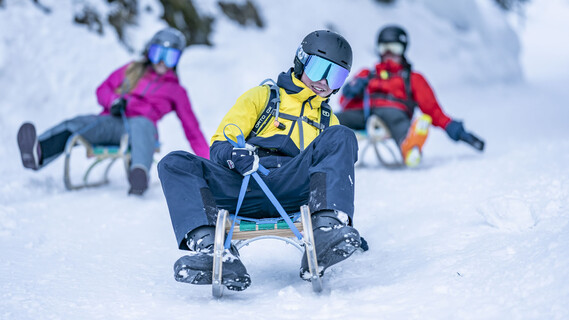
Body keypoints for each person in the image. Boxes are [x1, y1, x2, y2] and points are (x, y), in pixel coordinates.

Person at [158, 30, 362, 292]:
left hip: (294, 186)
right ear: (301, 61)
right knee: (174, 162)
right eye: (319, 68)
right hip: (245, 184)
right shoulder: (264, 97)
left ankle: (325, 233)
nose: (324, 81)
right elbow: (221, 142)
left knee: (342, 136)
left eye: (336, 75)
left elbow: (333, 171)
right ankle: (214, 251)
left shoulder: (327, 121)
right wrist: (234, 155)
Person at [16, 27, 210, 195]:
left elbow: (192, 130)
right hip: (113, 121)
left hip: (143, 128)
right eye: (158, 53)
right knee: (79, 123)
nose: (162, 61)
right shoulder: (131, 69)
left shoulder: (177, 91)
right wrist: (113, 101)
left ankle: (139, 174)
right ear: (149, 52)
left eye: (169, 57)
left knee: (142, 124)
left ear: (177, 60)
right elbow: (103, 89)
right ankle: (38, 152)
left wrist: (209, 165)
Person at [336, 25, 484, 167]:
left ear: (403, 50)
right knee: (334, 119)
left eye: (394, 48)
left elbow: (432, 109)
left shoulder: (412, 78)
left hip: (395, 113)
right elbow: (343, 103)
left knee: (400, 126)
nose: (389, 53)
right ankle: (320, 142)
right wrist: (351, 91)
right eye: (384, 48)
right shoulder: (367, 74)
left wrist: (456, 130)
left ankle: (411, 146)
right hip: (366, 113)